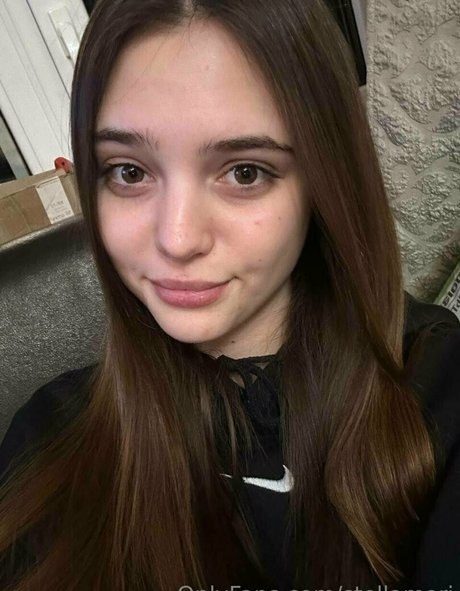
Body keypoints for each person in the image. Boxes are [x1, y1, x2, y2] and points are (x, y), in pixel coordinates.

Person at [0, 0, 459, 589]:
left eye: (245, 171)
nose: (177, 239)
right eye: (129, 171)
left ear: (325, 183)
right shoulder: (47, 440)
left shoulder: (439, 393)